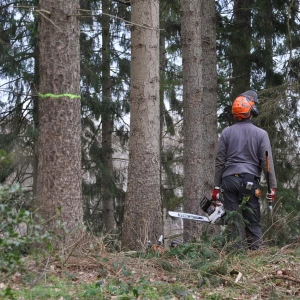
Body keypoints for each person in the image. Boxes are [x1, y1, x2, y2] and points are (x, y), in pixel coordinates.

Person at [211, 90, 277, 250]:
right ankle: (258, 255)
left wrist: (216, 187)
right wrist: (272, 187)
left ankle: (235, 258)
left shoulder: (226, 132)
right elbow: (267, 163)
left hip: (229, 181)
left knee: (233, 223)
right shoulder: (261, 134)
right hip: (249, 182)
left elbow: (220, 161)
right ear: (252, 111)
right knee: (253, 223)